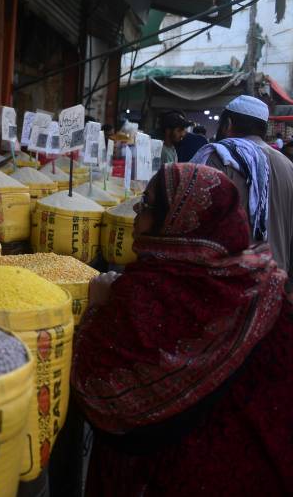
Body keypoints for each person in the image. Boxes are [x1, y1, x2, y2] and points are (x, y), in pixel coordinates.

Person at [72, 163, 292, 496]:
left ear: (176, 223)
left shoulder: (146, 293)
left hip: (177, 475)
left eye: (146, 205)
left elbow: (99, 393)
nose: (135, 213)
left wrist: (97, 307)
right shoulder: (262, 278)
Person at [191, 95, 293, 284]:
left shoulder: (219, 157)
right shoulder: (287, 165)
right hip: (277, 280)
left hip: (231, 283)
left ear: (227, 123)